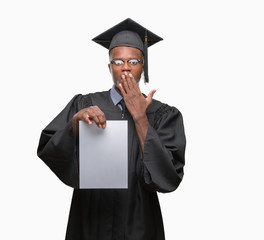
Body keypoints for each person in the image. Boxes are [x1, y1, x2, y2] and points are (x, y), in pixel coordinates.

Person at [37, 18, 186, 240]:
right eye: (118, 62)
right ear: (109, 67)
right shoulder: (84, 104)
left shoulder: (164, 114)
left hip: (140, 225)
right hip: (90, 221)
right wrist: (75, 125)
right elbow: (50, 150)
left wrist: (140, 118)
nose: (125, 67)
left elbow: (169, 178)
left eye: (133, 61)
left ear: (142, 66)